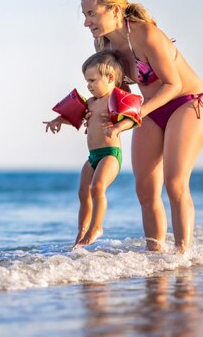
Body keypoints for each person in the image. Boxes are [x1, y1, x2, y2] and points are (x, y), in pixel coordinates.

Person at [80, 0, 203, 253]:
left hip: (187, 103)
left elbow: (172, 84)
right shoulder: (103, 45)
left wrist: (138, 113)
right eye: (84, 15)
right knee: (145, 189)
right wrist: (95, 117)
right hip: (150, 108)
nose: (86, 22)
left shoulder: (147, 35)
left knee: (175, 182)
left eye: (91, 14)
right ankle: (156, 259)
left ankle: (182, 257)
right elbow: (119, 93)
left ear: (114, 10)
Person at [44, 50, 135, 246]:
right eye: (87, 81)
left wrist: (118, 127)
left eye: (93, 80)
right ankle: (81, 233)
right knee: (83, 193)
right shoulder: (91, 103)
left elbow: (133, 118)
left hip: (110, 154)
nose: (89, 85)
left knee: (97, 187)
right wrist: (58, 120)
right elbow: (74, 117)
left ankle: (97, 227)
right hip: (93, 156)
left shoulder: (116, 100)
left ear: (110, 78)